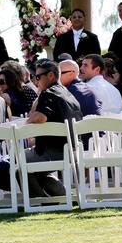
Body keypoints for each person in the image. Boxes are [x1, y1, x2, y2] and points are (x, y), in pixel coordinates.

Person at [23, 60, 83, 197]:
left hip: (52, 152)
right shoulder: (69, 94)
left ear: (50, 75)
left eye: (38, 77)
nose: (35, 81)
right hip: (72, 150)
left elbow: (40, 117)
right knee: (36, 171)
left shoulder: (48, 93)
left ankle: (40, 202)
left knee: (15, 163)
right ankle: (62, 197)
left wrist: (26, 124)